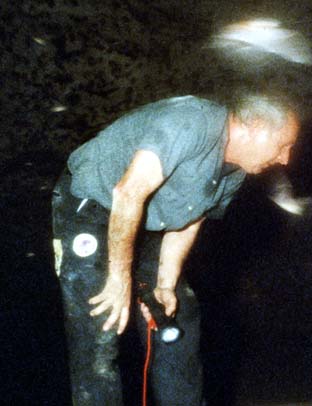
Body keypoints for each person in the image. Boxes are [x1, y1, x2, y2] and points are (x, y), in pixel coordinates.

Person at [51, 93, 299, 406]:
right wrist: (118, 277)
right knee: (102, 318)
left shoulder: (234, 173)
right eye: (282, 144)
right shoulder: (190, 122)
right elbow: (127, 193)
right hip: (92, 206)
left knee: (177, 312)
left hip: (141, 222)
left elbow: (188, 220)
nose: (285, 158)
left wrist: (165, 284)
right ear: (255, 126)